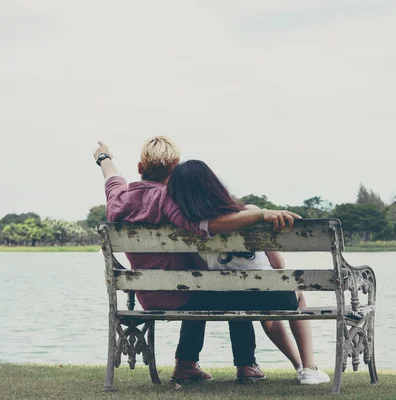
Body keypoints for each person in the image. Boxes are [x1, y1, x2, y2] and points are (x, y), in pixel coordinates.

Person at [94, 137, 302, 384]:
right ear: (176, 172)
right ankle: (246, 365)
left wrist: (104, 157)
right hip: (185, 293)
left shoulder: (118, 198)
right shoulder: (168, 200)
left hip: (148, 296)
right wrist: (259, 213)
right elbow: (208, 226)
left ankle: (187, 365)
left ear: (140, 168)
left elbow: (111, 176)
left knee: (206, 287)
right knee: (233, 289)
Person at [167, 159, 330, 385]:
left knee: (242, 294)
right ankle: (308, 368)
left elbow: (201, 268)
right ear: (213, 184)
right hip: (267, 295)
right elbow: (278, 265)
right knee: (296, 295)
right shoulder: (250, 213)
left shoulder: (191, 227)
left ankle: (294, 365)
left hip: (223, 300)